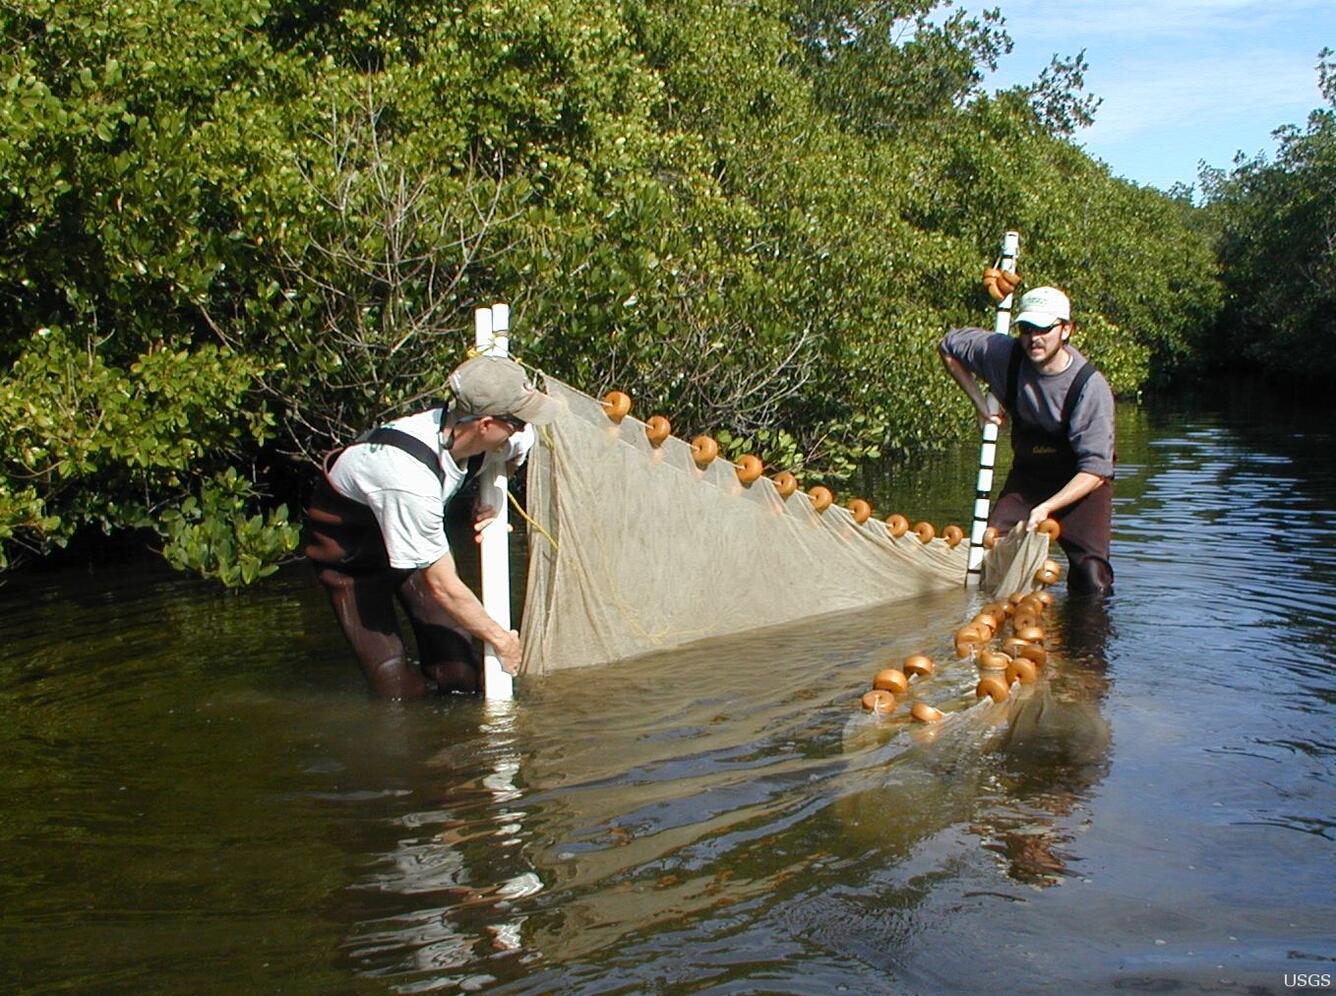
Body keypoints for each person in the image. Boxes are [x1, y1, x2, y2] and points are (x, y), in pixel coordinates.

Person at [302, 355, 560, 698]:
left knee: (462, 674)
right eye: (518, 423)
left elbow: (516, 453)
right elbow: (443, 586)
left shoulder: (498, 436)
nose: (523, 431)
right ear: (485, 424)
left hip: (412, 536)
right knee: (397, 691)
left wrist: (492, 501)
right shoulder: (409, 477)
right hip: (352, 558)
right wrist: (503, 640)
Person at [938, 286, 1115, 594]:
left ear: (1066, 329)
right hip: (1029, 478)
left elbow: (1096, 471)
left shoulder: (1090, 387)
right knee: (989, 550)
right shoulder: (1002, 353)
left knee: (1092, 579)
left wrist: (1047, 507)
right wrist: (980, 405)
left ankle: (1081, 639)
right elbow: (948, 346)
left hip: (1080, 482)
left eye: (1045, 329)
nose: (1034, 338)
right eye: (1026, 329)